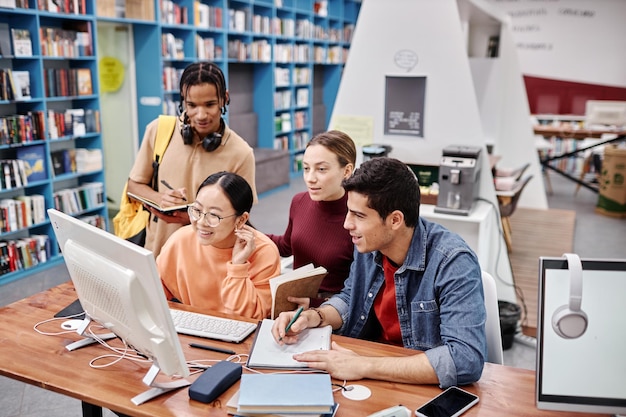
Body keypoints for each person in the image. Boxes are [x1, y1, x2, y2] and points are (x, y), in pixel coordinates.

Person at [271, 157, 487, 388]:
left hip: (419, 384)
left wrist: (365, 365)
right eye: (348, 212)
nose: (347, 224)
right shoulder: (369, 245)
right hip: (369, 369)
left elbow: (465, 359)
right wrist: (314, 316)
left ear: (395, 220)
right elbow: (349, 297)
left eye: (359, 216)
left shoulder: (453, 262)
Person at [126, 62, 256, 257]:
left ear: (224, 99)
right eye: (192, 105)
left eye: (210, 104)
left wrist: (192, 218)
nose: (201, 115)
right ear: (182, 102)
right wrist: (159, 198)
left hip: (207, 262)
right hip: (157, 253)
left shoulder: (241, 153)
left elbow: (240, 218)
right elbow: (133, 186)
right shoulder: (158, 131)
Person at [158, 171, 280, 320]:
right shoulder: (180, 241)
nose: (201, 222)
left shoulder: (264, 252)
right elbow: (153, 295)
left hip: (240, 338)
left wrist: (238, 266)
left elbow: (247, 319)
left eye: (213, 215)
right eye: (197, 210)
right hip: (190, 331)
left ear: (241, 220)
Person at [266, 130, 356, 301]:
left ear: (347, 171)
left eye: (321, 169)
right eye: (306, 168)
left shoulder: (359, 216)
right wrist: (247, 231)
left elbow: (362, 288)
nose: (310, 178)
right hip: (293, 305)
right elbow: (286, 246)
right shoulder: (299, 201)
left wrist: (316, 304)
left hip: (335, 313)